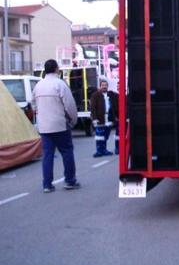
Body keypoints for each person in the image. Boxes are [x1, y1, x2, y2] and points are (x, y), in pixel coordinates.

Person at [32, 59, 80, 192]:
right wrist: (73, 120)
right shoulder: (60, 84)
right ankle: (70, 180)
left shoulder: (38, 85)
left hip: (44, 127)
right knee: (67, 152)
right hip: (60, 125)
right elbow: (70, 105)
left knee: (47, 155)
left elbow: (34, 104)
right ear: (56, 69)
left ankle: (47, 184)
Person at [90, 79, 119, 157]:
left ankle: (104, 150)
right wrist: (94, 119)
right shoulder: (95, 95)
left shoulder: (111, 95)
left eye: (106, 85)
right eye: (103, 85)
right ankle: (99, 151)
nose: (104, 87)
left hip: (109, 118)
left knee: (106, 135)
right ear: (100, 86)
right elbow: (93, 108)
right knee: (99, 136)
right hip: (100, 118)